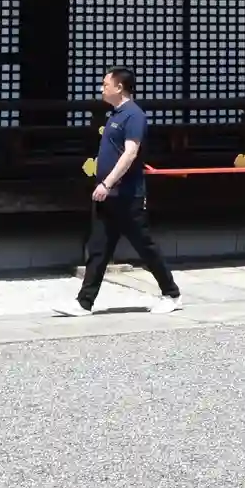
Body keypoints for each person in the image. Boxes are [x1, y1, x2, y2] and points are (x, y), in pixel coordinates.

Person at [73, 67, 183, 315]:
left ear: (119, 87)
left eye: (105, 84)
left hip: (127, 195)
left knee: (145, 246)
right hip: (108, 197)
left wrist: (108, 183)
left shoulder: (134, 115)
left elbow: (130, 153)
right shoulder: (114, 115)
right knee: (98, 249)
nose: (102, 89)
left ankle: (171, 294)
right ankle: (84, 302)